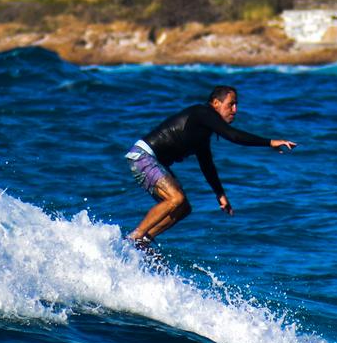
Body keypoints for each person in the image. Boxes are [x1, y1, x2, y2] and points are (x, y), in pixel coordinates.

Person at [124, 85, 296, 245]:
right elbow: (233, 136)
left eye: (236, 105)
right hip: (143, 156)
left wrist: (220, 194)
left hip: (153, 161)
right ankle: (135, 236)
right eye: (231, 104)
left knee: (184, 208)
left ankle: (143, 241)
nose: (235, 110)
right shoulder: (202, 113)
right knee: (176, 198)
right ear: (216, 103)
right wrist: (270, 142)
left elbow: (206, 164)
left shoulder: (202, 131)